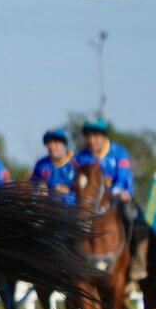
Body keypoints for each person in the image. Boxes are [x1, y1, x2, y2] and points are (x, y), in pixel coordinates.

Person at [75, 118, 146, 277]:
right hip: (90, 204)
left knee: (136, 218)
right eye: (89, 136)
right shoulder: (81, 158)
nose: (92, 140)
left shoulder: (118, 152)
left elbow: (124, 178)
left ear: (104, 136)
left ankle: (138, 262)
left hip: (117, 200)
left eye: (96, 136)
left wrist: (116, 191)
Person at [30, 128, 76, 205]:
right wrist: (39, 188)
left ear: (63, 143)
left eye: (55, 142)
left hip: (72, 210)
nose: (52, 146)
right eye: (49, 143)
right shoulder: (41, 164)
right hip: (48, 210)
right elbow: (32, 185)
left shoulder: (76, 164)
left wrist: (68, 190)